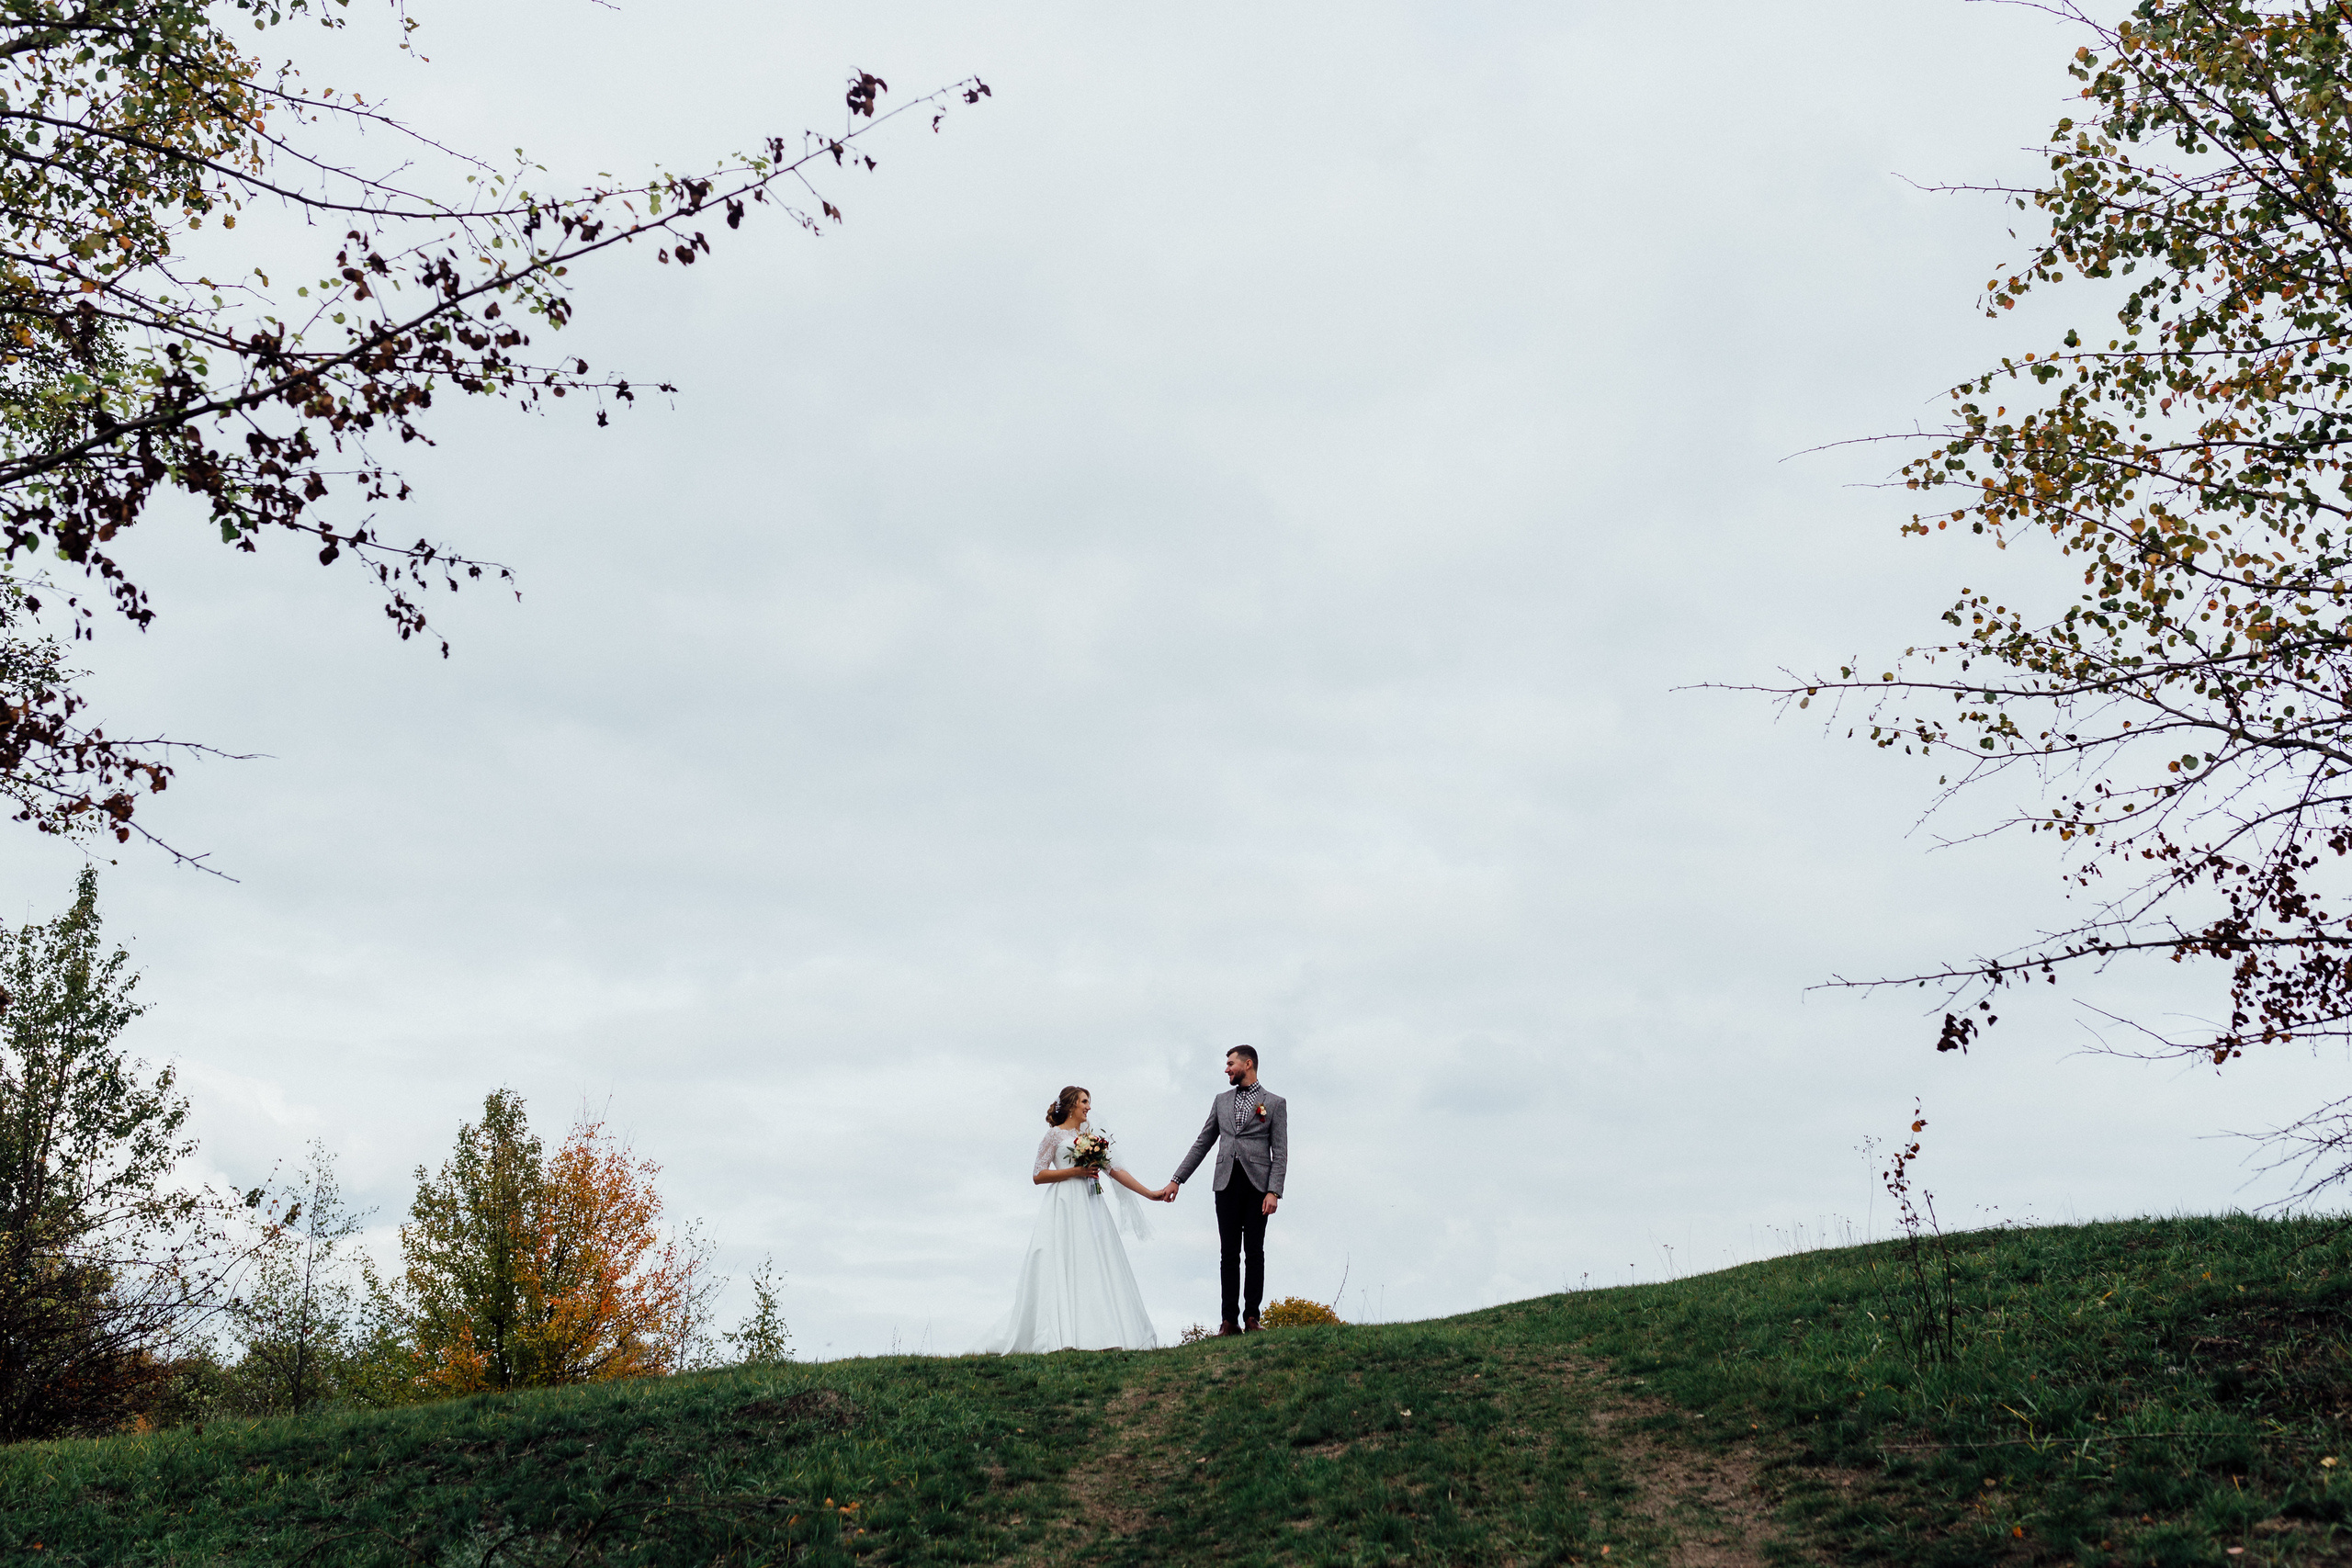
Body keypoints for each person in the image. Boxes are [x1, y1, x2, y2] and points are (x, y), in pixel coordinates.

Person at [978, 1086, 1172, 1353]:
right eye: (1084, 1102)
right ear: (1071, 1105)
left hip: (1091, 1202)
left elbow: (1115, 1170)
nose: (1088, 1107)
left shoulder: (1091, 1137)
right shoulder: (1054, 1135)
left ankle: (1101, 1332)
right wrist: (1075, 1171)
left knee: (1094, 1261)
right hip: (1064, 1202)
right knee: (1062, 1261)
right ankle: (1060, 1334)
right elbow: (1038, 1174)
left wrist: (1149, 1193)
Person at [1167, 1045, 1287, 1335]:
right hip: (1226, 1185)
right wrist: (1177, 1179)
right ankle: (1229, 1321)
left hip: (1258, 1186)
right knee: (1228, 1253)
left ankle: (1252, 1318)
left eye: (1231, 1064)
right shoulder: (1221, 1101)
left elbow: (1281, 1152)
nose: (1227, 1069)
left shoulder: (1275, 1103)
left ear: (1248, 1064)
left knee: (1254, 1251)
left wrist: (1274, 1191)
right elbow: (1203, 1142)